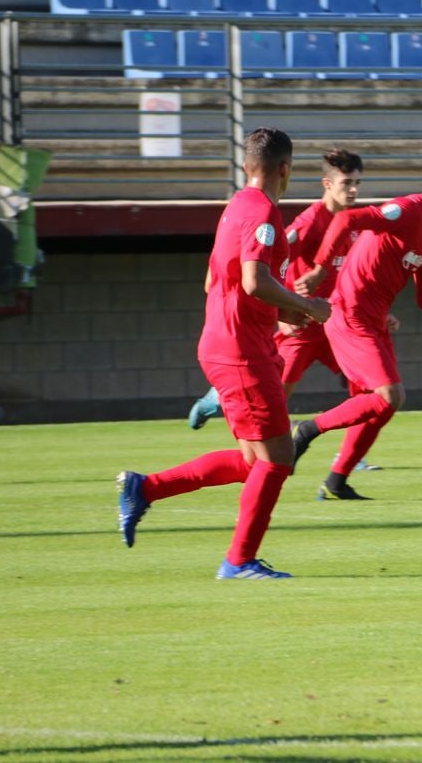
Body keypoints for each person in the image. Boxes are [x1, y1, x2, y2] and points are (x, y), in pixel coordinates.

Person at [116, 127, 332, 579]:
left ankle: (146, 488)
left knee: (254, 462)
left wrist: (279, 316)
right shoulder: (265, 213)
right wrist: (306, 305)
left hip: (228, 343)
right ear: (285, 169)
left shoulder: (235, 206)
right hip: (243, 353)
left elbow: (218, 281)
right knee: (278, 461)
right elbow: (254, 281)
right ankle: (238, 561)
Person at [290, 152, 422, 499]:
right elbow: (346, 220)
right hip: (348, 313)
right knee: (390, 396)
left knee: (378, 406)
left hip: (374, 321)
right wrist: (318, 269)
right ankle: (306, 431)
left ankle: (336, 481)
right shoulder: (407, 210)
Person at [187, 148, 384, 473]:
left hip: (332, 325)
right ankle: (220, 398)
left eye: (357, 184)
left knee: (368, 391)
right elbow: (264, 263)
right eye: (347, 183)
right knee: (274, 398)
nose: (353, 190)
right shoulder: (308, 223)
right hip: (301, 326)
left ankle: (348, 457)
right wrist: (285, 308)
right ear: (327, 184)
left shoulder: (351, 223)